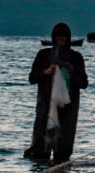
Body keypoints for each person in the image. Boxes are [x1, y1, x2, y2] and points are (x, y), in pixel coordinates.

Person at [25, 23, 89, 165]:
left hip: (68, 108)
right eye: (58, 35)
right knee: (40, 152)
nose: (61, 38)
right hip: (45, 107)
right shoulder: (43, 55)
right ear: (54, 37)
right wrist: (46, 72)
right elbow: (32, 78)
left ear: (68, 37)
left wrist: (69, 74)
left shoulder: (76, 57)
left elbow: (83, 83)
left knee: (63, 153)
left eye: (64, 35)